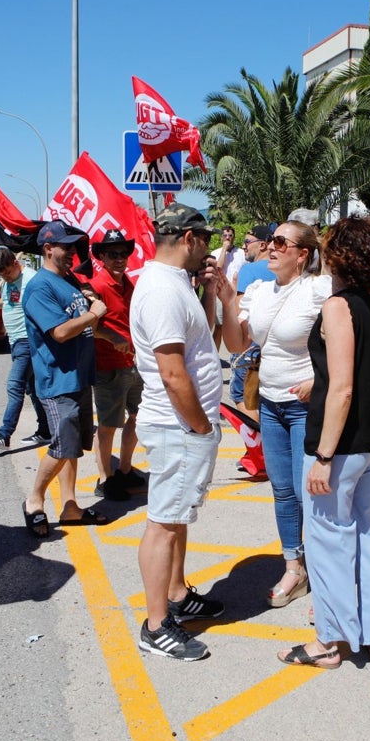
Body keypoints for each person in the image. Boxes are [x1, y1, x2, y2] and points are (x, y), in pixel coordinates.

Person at [277, 217, 370, 671]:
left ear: (338, 256)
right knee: (369, 539)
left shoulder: (338, 306)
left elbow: (344, 388)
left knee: (328, 545)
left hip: (342, 446)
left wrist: (323, 457)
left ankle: (328, 642)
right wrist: (323, 380)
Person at [130, 204, 226, 661]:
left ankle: (176, 594)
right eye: (205, 239)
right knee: (164, 525)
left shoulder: (176, 286)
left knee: (177, 517)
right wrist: (201, 425)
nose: (208, 248)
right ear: (188, 238)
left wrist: (209, 292)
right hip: (177, 426)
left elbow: (202, 339)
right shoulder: (162, 292)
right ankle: (155, 625)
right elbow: (172, 373)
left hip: (182, 425)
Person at [220, 220, 330, 608]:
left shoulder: (320, 288)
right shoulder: (261, 291)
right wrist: (227, 300)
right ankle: (293, 567)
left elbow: (346, 337)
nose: (271, 247)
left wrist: (321, 379)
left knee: (308, 493)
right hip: (270, 404)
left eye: (281, 242)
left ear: (303, 254)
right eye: (271, 240)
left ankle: (323, 572)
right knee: (283, 492)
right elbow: (236, 343)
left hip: (305, 407)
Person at [20, 221, 109, 537]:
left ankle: (70, 506)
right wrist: (93, 313)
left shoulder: (68, 279)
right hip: (58, 380)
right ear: (48, 249)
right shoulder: (39, 288)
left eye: (74, 247)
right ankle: (34, 500)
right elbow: (58, 332)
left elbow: (83, 322)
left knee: (73, 446)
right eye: (66, 247)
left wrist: (106, 329)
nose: (73, 253)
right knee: (62, 445)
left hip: (79, 375)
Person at [89, 229, 146, 501]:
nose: (120, 259)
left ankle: (123, 469)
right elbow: (89, 324)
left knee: (138, 417)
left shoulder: (128, 284)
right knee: (109, 425)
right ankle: (105, 478)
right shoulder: (95, 287)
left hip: (133, 363)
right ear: (101, 257)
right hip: (108, 366)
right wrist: (111, 337)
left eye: (123, 253)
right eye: (113, 254)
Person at [0, 249, 50, 450]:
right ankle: (46, 431)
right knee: (33, 389)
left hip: (27, 340)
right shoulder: (9, 281)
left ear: (15, 263)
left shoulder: (32, 280)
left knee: (15, 385)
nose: (5, 278)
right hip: (14, 341)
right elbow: (12, 302)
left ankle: (4, 434)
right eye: (1, 275)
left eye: (7, 273)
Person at [229, 225, 276, 421]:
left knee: (242, 396)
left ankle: (260, 446)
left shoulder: (248, 270)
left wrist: (232, 292)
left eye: (248, 242)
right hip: (274, 343)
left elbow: (241, 313)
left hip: (250, 344)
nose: (243, 246)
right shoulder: (287, 269)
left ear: (263, 245)